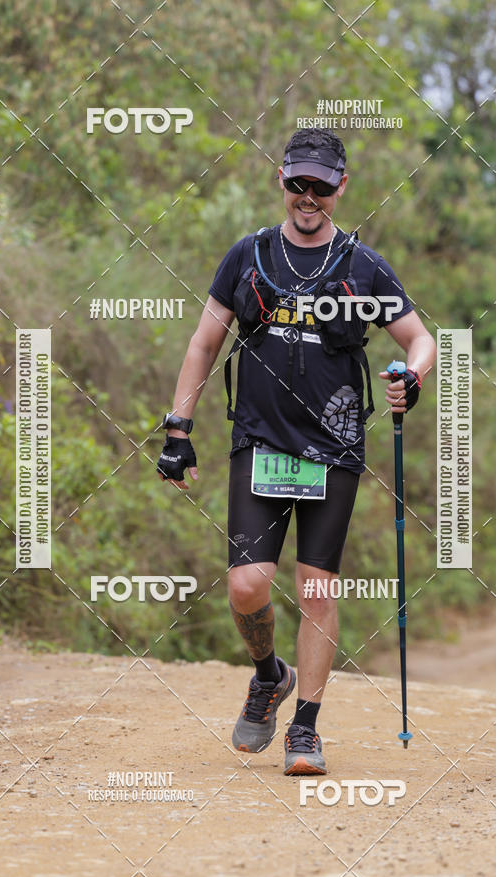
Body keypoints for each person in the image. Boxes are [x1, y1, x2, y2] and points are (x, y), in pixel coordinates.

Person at [157, 127, 437, 776]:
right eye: (297, 183)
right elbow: (203, 344)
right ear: (280, 180)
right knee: (247, 585)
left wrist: (411, 377)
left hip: (333, 450)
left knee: (316, 587)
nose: (307, 196)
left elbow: (420, 340)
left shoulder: (362, 267)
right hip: (259, 441)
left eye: (321, 185)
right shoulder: (248, 257)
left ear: (342, 187)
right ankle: (268, 676)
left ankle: (305, 728)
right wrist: (178, 428)